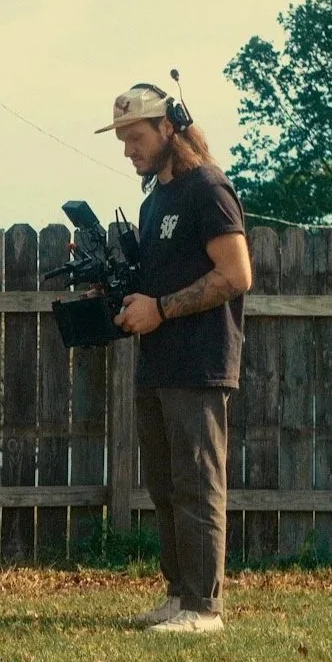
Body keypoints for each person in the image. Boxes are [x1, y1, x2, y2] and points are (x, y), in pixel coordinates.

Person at [97, 82, 252, 634]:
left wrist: (160, 309)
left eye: (135, 136)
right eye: (121, 139)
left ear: (168, 127)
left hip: (200, 360)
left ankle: (204, 609)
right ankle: (178, 596)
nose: (127, 150)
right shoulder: (153, 201)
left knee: (197, 483)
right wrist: (112, 292)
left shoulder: (207, 188)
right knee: (165, 487)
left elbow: (236, 276)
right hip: (158, 361)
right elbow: (154, 282)